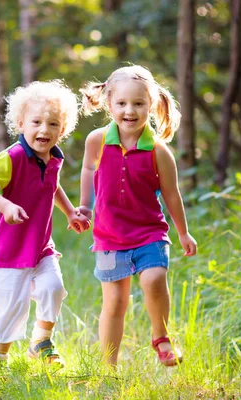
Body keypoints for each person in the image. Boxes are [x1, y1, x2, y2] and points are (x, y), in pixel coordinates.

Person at [78, 65, 197, 367]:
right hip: (109, 236)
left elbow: (171, 193)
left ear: (151, 105)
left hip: (149, 233)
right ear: (109, 104)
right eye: (122, 103)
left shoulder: (158, 151)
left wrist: (183, 232)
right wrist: (85, 206)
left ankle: (161, 337)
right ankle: (109, 368)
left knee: (155, 278)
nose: (130, 111)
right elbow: (89, 170)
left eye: (138, 104)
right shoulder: (97, 140)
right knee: (115, 303)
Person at [0, 80, 90, 367]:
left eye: (53, 124)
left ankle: (41, 342)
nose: (44, 130)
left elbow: (52, 186)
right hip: (10, 249)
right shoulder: (11, 158)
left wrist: (70, 212)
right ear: (21, 123)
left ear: (62, 130)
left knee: (54, 288)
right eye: (36, 122)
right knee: (12, 308)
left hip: (40, 247)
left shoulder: (54, 159)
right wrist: (6, 205)